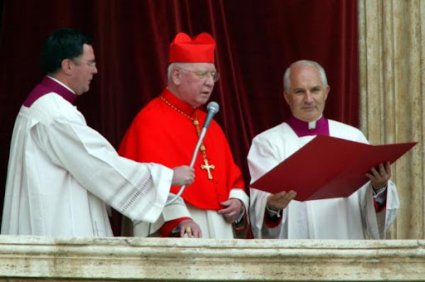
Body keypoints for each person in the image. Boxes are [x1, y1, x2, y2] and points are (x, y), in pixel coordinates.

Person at [1, 28, 194, 237]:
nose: (95, 71)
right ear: (67, 66)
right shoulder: (55, 113)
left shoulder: (47, 105)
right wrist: (166, 176)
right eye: (90, 63)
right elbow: (99, 164)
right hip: (58, 227)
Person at [248, 60, 399, 239]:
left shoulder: (351, 137)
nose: (308, 99)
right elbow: (262, 210)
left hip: (346, 250)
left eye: (315, 90)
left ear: (326, 92)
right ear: (287, 97)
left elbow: (374, 214)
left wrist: (379, 187)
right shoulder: (267, 143)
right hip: (296, 255)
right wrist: (272, 207)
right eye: (299, 92)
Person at [119, 32, 249, 238]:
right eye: (201, 74)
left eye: (212, 75)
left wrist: (237, 202)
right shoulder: (150, 120)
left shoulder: (211, 124)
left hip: (219, 230)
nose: (209, 83)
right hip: (181, 232)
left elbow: (233, 180)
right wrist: (178, 219)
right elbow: (145, 183)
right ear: (177, 76)